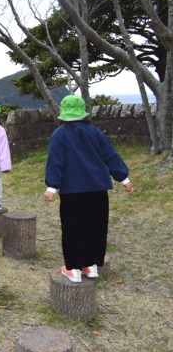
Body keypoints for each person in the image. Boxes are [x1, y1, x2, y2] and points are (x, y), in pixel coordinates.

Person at [43, 95, 134, 282]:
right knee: (95, 227)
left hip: (72, 191)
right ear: (82, 112)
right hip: (98, 189)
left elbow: (56, 162)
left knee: (73, 228)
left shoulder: (60, 134)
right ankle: (90, 265)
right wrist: (124, 179)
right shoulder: (96, 132)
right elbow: (111, 156)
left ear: (63, 112)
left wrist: (52, 187)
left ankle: (73, 268)